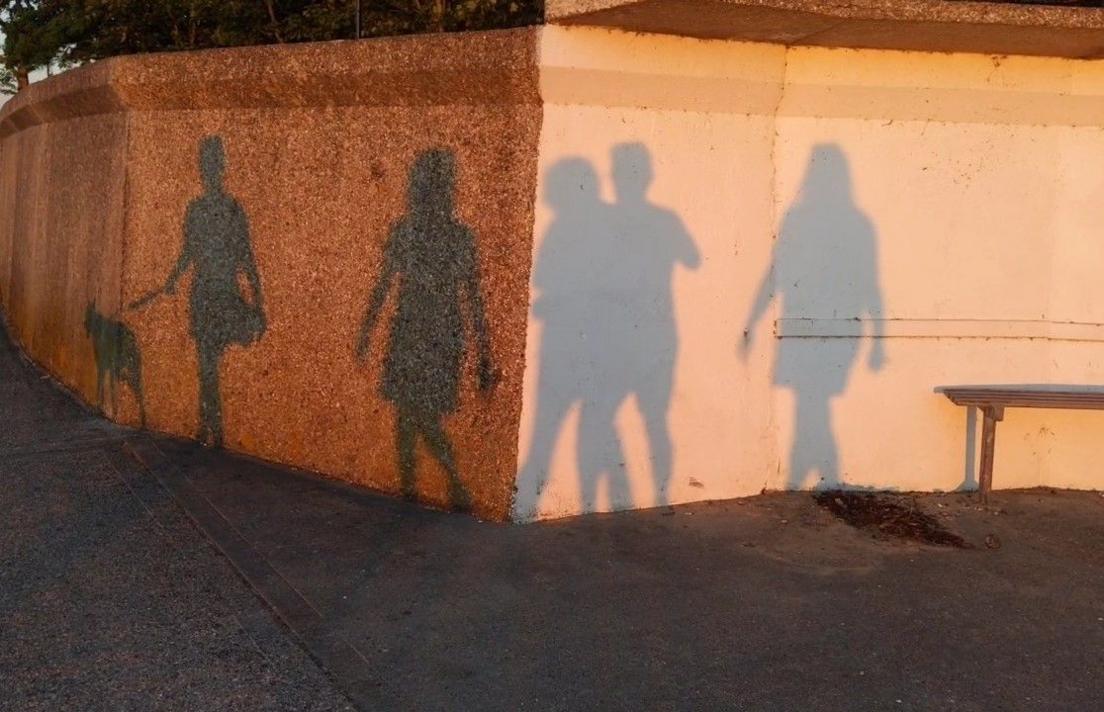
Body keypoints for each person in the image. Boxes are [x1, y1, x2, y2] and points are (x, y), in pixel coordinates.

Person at [356, 149, 494, 510]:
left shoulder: (437, 234)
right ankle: (414, 490)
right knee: (408, 415)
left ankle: (446, 482)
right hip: (425, 332)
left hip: (431, 332)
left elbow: (471, 296)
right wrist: (367, 331)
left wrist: (367, 332)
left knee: (416, 415)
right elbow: (387, 285)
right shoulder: (438, 234)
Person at [744, 144, 884, 488]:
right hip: (836, 323)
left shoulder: (800, 216)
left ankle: (808, 476)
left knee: (810, 405)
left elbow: (774, 274)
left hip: (825, 321)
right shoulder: (857, 222)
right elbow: (870, 283)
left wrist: (752, 319)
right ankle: (818, 476)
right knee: (813, 406)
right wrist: (878, 343)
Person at [160, 136, 266, 447]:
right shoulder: (199, 209)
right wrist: (172, 279)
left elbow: (246, 255)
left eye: (211, 163)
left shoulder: (230, 208)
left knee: (210, 364)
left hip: (222, 292)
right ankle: (212, 426)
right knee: (206, 365)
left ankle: (213, 427)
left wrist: (258, 300)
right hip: (206, 292)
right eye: (207, 163)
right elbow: (189, 252)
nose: (208, 169)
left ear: (217, 168)